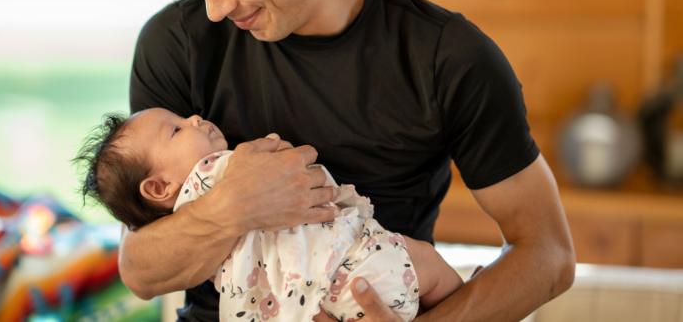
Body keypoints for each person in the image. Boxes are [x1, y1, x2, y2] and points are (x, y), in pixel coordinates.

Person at [120, 0, 576, 320]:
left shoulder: (448, 58)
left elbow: (548, 254)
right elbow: (141, 271)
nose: (212, 9)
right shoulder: (177, 44)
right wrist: (234, 205)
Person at [75, 108, 463, 321]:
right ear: (159, 188)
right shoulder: (214, 172)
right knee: (427, 261)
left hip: (307, 304)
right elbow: (279, 158)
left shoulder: (182, 224)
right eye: (176, 130)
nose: (194, 117)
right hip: (354, 271)